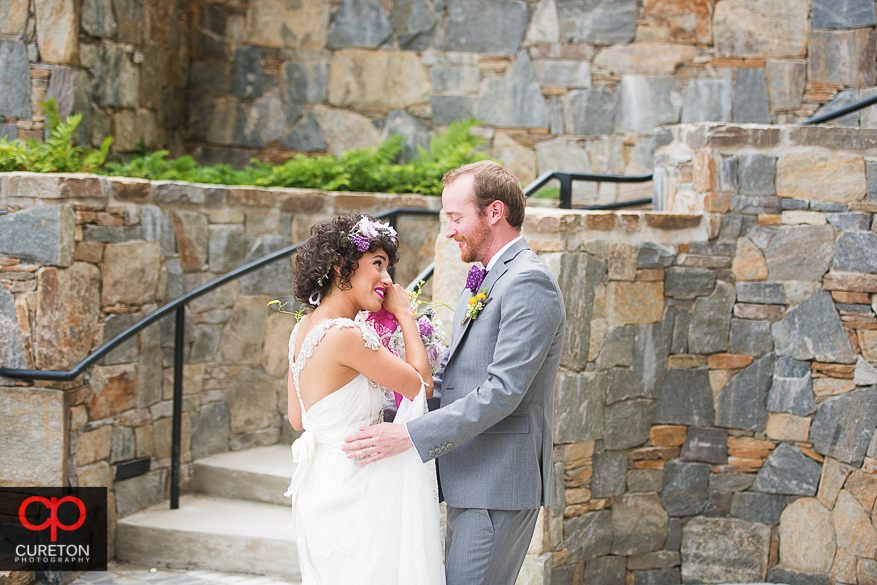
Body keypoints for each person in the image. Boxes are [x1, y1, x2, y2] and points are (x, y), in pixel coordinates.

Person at [343, 161, 567, 585]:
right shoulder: (482, 279)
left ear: (494, 212)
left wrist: (410, 436)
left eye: (455, 217)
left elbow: (502, 392)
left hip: (496, 482)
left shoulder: (528, 282)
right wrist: (388, 408)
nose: (448, 231)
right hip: (469, 476)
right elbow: (456, 376)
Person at [284, 213, 444, 585]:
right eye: (378, 264)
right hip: (356, 485)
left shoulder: (300, 330)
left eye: (387, 267)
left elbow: (297, 418)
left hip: (319, 487)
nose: (388, 280)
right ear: (342, 266)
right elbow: (421, 385)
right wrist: (404, 314)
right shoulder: (345, 334)